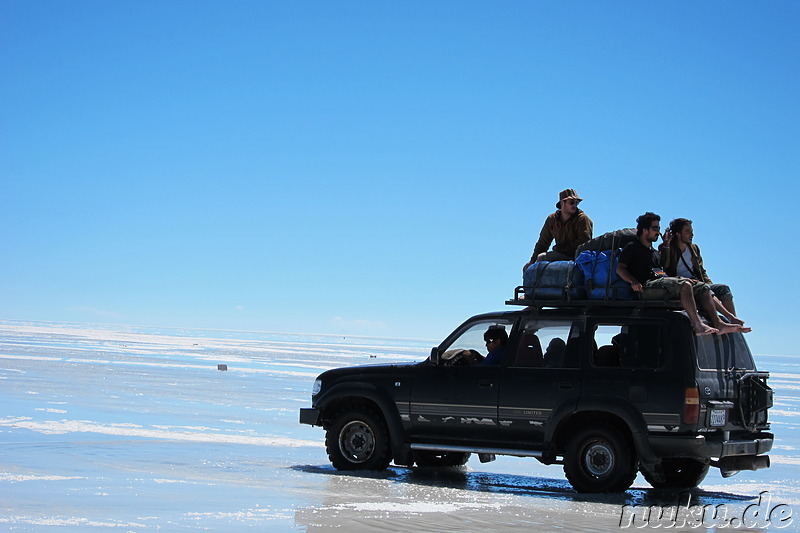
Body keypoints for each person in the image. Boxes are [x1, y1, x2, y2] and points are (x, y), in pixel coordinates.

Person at [615, 212, 746, 336]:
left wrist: (677, 278)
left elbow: (662, 273)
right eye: (655, 228)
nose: (658, 232)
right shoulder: (633, 247)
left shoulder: (653, 252)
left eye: (658, 228)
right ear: (644, 230)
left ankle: (719, 323)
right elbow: (620, 268)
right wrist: (633, 281)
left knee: (703, 288)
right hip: (645, 288)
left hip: (658, 283)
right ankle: (698, 325)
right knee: (685, 285)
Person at [660, 218, 742, 322]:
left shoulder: (694, 249)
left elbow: (702, 271)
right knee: (705, 289)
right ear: (678, 234)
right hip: (683, 284)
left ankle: (733, 323)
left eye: (692, 231)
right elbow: (664, 266)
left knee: (723, 289)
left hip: (698, 282)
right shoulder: (668, 248)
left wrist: (708, 284)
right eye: (687, 231)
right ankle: (727, 318)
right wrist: (666, 245)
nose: (692, 235)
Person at [523, 188, 593, 273]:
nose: (574, 205)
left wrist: (560, 249)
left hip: (577, 257)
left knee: (543, 258)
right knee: (533, 266)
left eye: (576, 202)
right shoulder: (552, 220)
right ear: (562, 203)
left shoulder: (582, 219)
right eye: (571, 202)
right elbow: (543, 243)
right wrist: (532, 261)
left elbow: (584, 243)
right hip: (560, 255)